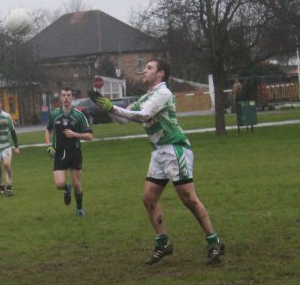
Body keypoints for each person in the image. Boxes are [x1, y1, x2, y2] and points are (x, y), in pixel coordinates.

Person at [91, 59, 225, 265]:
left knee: (188, 198)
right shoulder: (147, 96)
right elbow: (124, 118)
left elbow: (143, 116)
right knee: (149, 198)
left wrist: (113, 107)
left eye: (149, 68)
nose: (144, 71)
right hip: (159, 152)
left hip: (175, 148)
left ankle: (214, 241)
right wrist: (107, 106)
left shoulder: (163, 93)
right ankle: (163, 243)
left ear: (161, 74)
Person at [44, 87, 93, 217]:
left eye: (69, 95)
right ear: (60, 97)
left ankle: (79, 208)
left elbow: (89, 136)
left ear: (72, 97)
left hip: (74, 152)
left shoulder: (79, 115)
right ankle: (67, 189)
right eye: (64, 95)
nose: (66, 97)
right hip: (59, 153)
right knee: (59, 184)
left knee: (77, 183)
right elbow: (48, 130)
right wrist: (49, 145)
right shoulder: (54, 114)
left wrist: (74, 134)